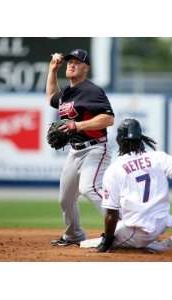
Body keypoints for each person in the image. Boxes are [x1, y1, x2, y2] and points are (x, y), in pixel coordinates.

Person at [90, 118, 172, 253]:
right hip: (162, 222)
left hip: (141, 230)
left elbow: (111, 214)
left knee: (105, 241)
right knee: (119, 225)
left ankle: (162, 246)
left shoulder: (114, 169)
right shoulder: (158, 157)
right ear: (141, 137)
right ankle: (151, 242)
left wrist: (107, 243)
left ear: (118, 140)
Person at [46, 49, 114, 246]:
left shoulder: (92, 91)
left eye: (77, 62)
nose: (71, 65)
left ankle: (124, 227)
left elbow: (108, 119)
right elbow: (51, 97)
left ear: (87, 68)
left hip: (95, 149)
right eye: (69, 62)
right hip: (75, 151)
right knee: (65, 199)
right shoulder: (67, 92)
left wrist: (78, 125)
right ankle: (74, 235)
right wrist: (52, 70)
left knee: (89, 187)